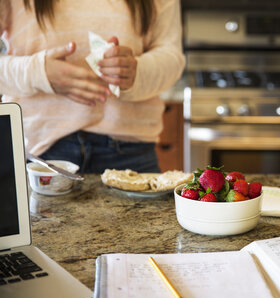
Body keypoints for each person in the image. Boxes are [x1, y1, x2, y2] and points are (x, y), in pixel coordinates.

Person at [0, 0, 185, 173]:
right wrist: (39, 73)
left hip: (131, 153)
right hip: (38, 154)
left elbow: (171, 56)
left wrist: (136, 72)